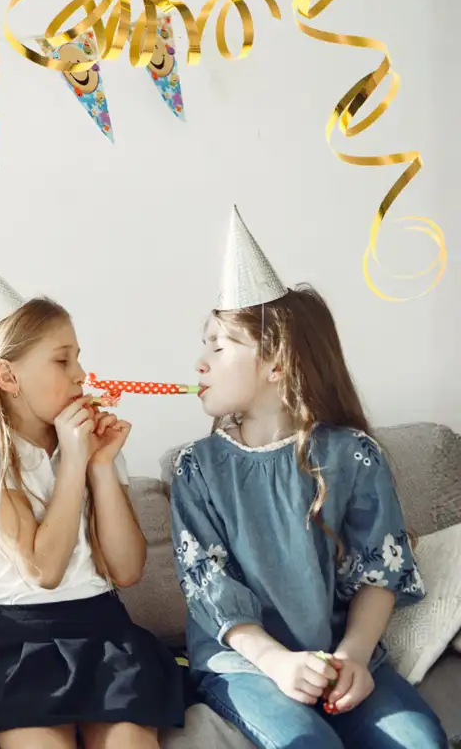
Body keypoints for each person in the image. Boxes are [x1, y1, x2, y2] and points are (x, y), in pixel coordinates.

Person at [170, 206, 449, 748]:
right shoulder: (197, 469)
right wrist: (277, 663)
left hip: (336, 658)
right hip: (245, 664)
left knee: (421, 742)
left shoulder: (354, 456)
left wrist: (354, 658)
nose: (200, 362)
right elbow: (208, 586)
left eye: (218, 345)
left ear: (276, 363)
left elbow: (378, 569)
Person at [0, 238, 185, 749]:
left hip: (105, 631)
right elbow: (43, 570)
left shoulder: (87, 447)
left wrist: (100, 466)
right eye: (62, 360)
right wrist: (73, 462)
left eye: (78, 357)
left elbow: (126, 570)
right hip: (22, 643)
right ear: (7, 376)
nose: (81, 374)